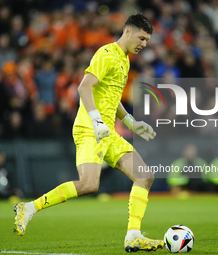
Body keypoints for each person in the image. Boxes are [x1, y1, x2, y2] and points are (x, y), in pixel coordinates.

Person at [13, 14, 164, 252]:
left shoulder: (124, 60)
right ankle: (29, 208)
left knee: (144, 176)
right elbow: (84, 87)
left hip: (108, 131)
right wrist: (95, 121)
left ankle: (133, 235)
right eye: (141, 37)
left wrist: (131, 122)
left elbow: (111, 97)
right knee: (88, 184)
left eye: (147, 40)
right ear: (127, 32)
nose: (144, 44)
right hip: (90, 128)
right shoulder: (106, 54)